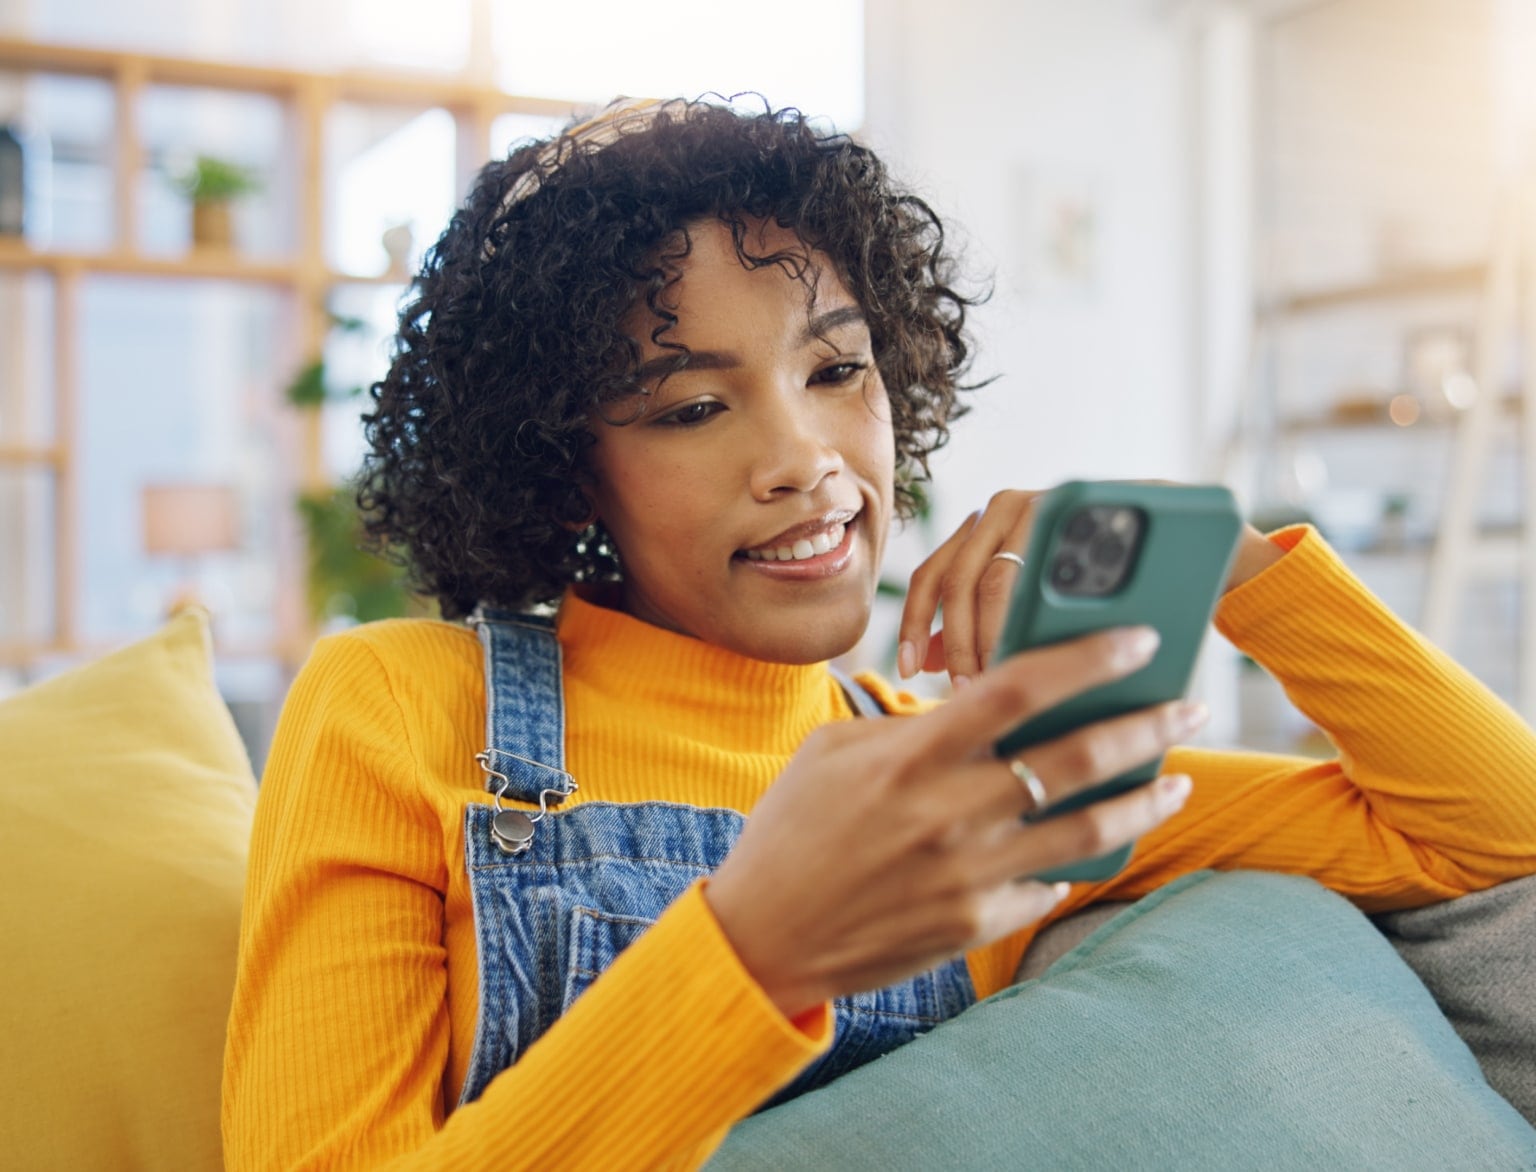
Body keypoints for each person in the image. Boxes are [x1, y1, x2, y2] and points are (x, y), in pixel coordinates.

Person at [221, 98, 1536, 1169]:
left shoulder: (984, 781)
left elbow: (1489, 830)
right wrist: (751, 953)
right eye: (690, 408)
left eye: (837, 371)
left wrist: (1223, 559)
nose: (806, 460)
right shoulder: (396, 704)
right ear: (565, 468)